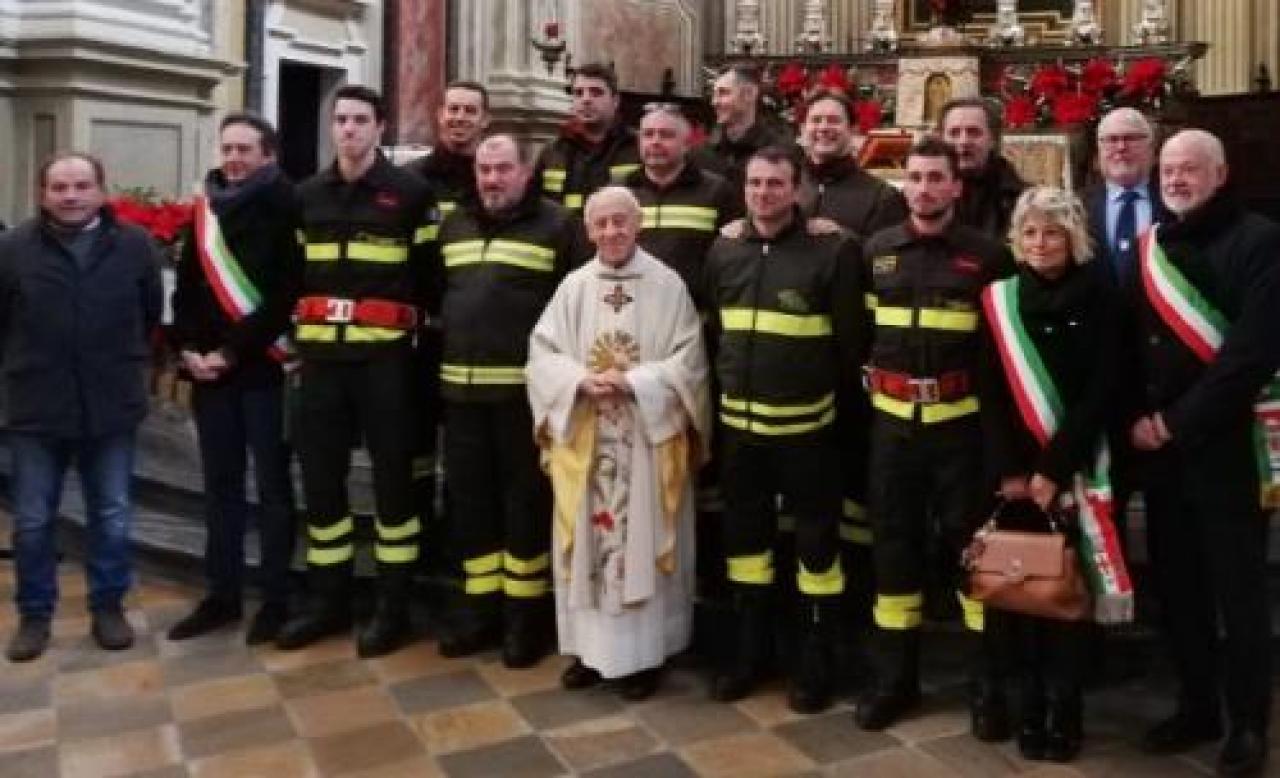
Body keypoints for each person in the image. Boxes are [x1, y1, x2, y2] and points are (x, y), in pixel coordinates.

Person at [1131, 129, 1280, 777]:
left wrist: (1174, 423)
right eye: (1168, 169)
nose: (1177, 178)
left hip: (1228, 449)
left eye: (1191, 168)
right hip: (1163, 460)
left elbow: (1251, 354)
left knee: (1238, 596)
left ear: (1220, 174)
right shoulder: (1152, 246)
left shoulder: (1261, 242)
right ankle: (1197, 705)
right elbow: (1136, 349)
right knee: (1179, 590)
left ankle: (1248, 722)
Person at [854, 137, 1014, 736]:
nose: (923, 188)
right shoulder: (876, 252)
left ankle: (986, 689)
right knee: (892, 551)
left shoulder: (989, 257)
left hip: (961, 434)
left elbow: (1001, 356)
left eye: (935, 178)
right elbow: (859, 336)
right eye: (914, 177)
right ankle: (894, 681)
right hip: (892, 432)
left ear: (956, 186)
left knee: (971, 556)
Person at [527, 185, 710, 701]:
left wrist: (638, 383)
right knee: (587, 543)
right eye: (601, 223)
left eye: (620, 222)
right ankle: (589, 652)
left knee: (642, 544)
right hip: (587, 434)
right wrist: (577, 382)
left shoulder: (667, 284)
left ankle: (643, 657)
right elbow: (542, 354)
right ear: (588, 230)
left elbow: (690, 362)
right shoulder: (574, 287)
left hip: (645, 441)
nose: (611, 232)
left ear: (638, 224)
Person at [279, 85, 438, 658]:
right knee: (322, 486)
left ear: (379, 126)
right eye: (340, 119)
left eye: (359, 120)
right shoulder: (304, 196)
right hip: (321, 366)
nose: (347, 129)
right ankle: (329, 603)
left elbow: (429, 278)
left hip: (385, 365)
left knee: (394, 487)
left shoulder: (411, 194)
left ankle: (391, 609)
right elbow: (293, 275)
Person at [703, 145, 863, 714]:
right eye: (754, 182)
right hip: (739, 436)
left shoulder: (832, 251)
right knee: (745, 549)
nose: (764, 193)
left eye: (776, 183)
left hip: (809, 437)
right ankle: (749, 656)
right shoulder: (723, 249)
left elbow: (851, 349)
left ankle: (815, 664)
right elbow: (712, 334)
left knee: (817, 554)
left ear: (797, 189)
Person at [977, 186, 1127, 762]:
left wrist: (1052, 469)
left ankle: (1066, 708)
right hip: (1016, 479)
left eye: (1053, 232)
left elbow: (1102, 392)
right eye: (1031, 232)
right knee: (1021, 593)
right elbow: (990, 393)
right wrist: (1012, 471)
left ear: (1074, 238)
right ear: (1016, 238)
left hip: (1079, 468)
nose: (1041, 243)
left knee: (1066, 597)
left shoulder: (1103, 299)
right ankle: (1029, 704)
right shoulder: (998, 300)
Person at [1, 153, 163, 661]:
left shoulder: (135, 245)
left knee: (111, 514)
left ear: (100, 190)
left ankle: (108, 606)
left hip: (109, 403)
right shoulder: (11, 249)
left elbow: (149, 314)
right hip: (36, 405)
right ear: (43, 193)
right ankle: (34, 614)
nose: (70, 196)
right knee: (31, 520)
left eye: (81, 186)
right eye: (59, 187)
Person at [435, 133, 586, 668]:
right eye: (483, 169)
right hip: (460, 393)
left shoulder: (558, 226)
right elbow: (438, 300)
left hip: (525, 398)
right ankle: (479, 613)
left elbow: (578, 310)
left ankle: (526, 621)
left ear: (526, 172)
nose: (491, 179)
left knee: (526, 506)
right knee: (471, 505)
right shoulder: (452, 224)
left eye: (502, 169)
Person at [167, 113, 302, 645]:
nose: (234, 158)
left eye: (245, 149)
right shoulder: (204, 213)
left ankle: (274, 599)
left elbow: (285, 294)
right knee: (219, 488)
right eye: (227, 148)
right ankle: (220, 595)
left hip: (262, 370)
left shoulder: (286, 207)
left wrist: (229, 350)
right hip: (211, 376)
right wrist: (190, 350)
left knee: (272, 489)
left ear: (267, 155)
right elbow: (186, 291)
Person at [403, 80, 491, 585]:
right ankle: (418, 543)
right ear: (440, 117)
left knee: (465, 453)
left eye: (469, 111)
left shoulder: (494, 180)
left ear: (485, 121)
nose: (459, 118)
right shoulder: (412, 182)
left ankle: (462, 544)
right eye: (452, 109)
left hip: (473, 339)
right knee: (415, 449)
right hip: (421, 340)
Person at [622, 102, 739, 298]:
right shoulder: (620, 192)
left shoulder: (717, 191)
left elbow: (733, 259)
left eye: (666, 135)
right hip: (631, 311)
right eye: (648, 134)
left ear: (686, 144)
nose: (655, 141)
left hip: (693, 314)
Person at [537, 63, 640, 213]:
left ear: (615, 101)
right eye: (578, 93)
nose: (586, 99)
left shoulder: (638, 148)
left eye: (596, 92)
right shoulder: (552, 151)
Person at [696, 65, 794, 204]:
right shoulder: (700, 155)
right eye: (714, 94)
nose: (714, 102)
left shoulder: (782, 151)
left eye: (723, 93)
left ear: (750, 94)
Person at [939, 97, 1027, 239]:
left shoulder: (1022, 200)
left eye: (974, 132)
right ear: (941, 138)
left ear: (993, 139)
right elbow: (891, 256)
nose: (964, 141)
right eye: (954, 133)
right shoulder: (918, 196)